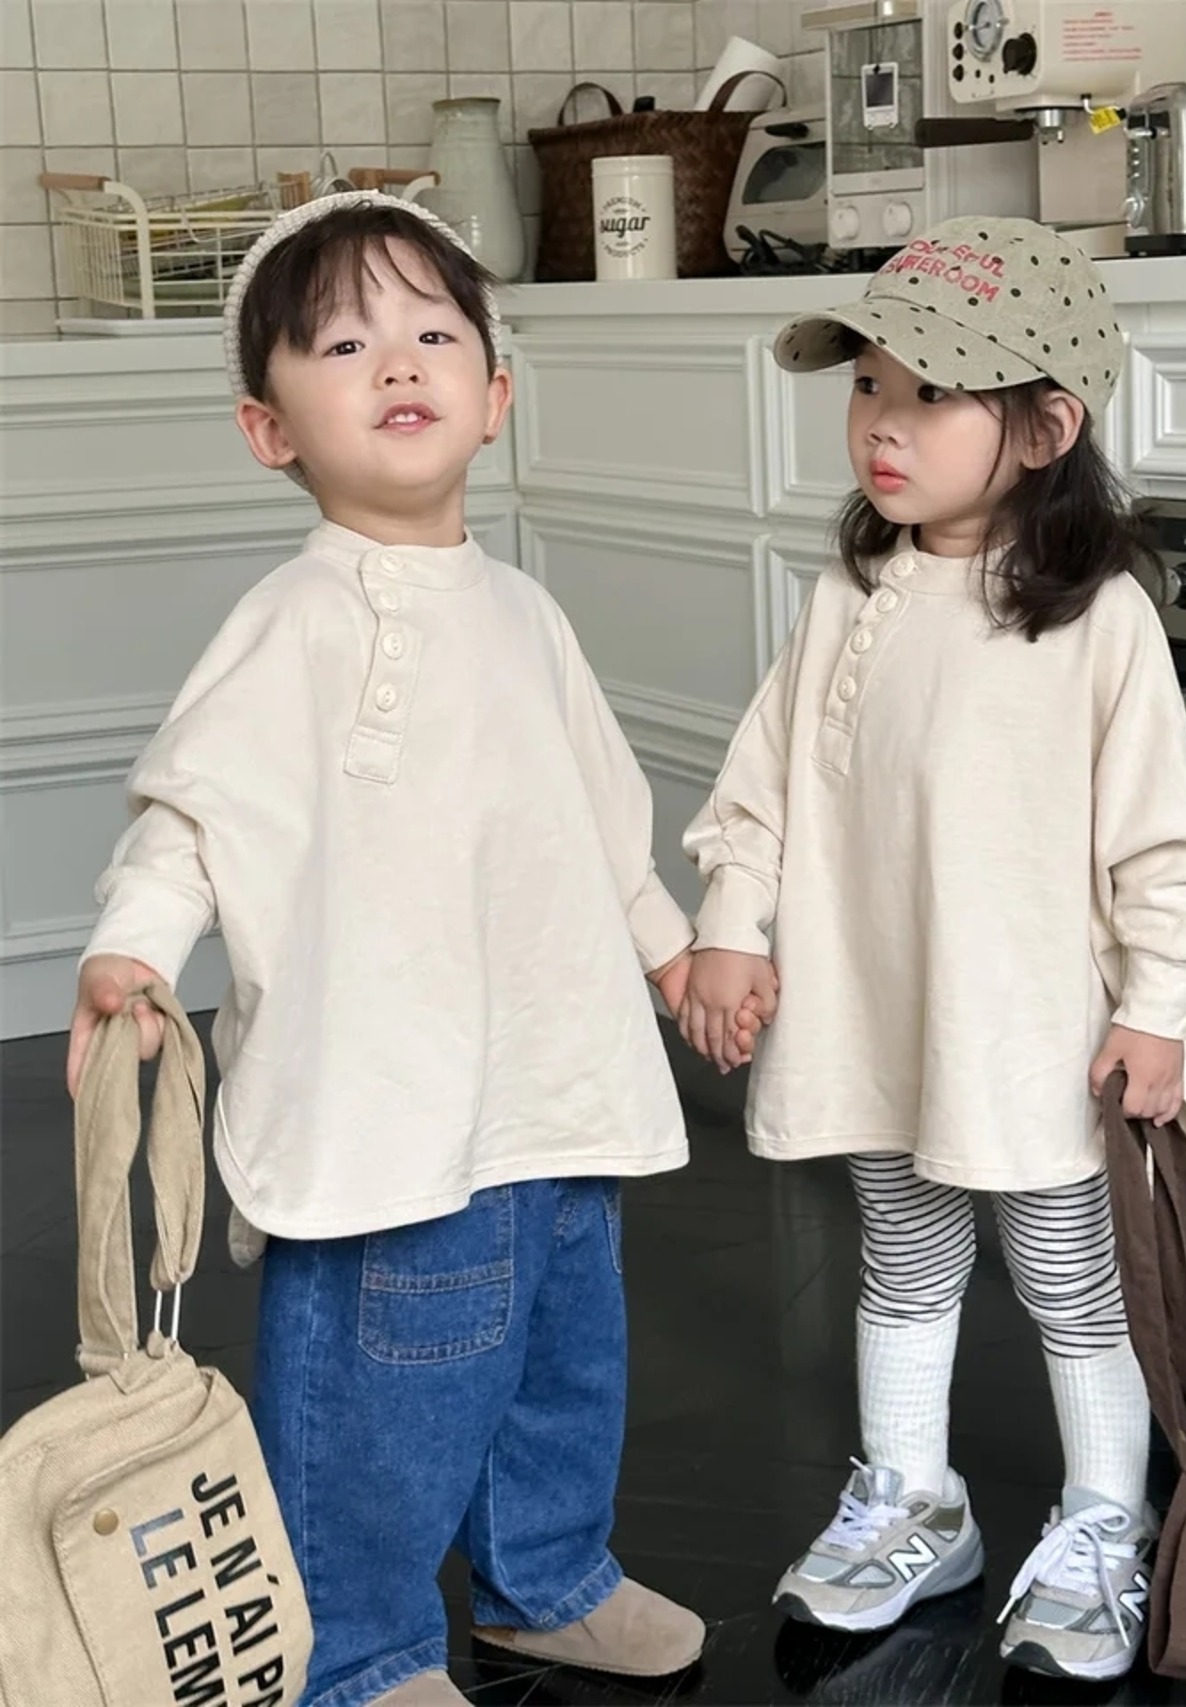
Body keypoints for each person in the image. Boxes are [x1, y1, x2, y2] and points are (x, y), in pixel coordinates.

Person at [66, 192, 764, 1707]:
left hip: (555, 1076)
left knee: (564, 1359)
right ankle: (358, 1644)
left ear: (494, 397)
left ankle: (548, 1577)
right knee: (381, 1397)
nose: (397, 361)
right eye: (343, 343)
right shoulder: (289, 623)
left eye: (434, 333)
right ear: (270, 431)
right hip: (384, 1094)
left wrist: (666, 951)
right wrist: (133, 952)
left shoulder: (525, 615)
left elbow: (600, 815)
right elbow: (191, 817)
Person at [677, 216, 1186, 1684]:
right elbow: (763, 788)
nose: (884, 423)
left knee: (1070, 1282)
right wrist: (732, 926)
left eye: (931, 395)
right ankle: (914, 1500)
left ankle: (1106, 1518)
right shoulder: (847, 600)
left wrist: (1155, 1005)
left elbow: (1169, 845)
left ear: (1046, 429)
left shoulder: (1097, 624)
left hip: (1032, 1030)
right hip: (879, 1017)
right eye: (870, 386)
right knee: (904, 1259)